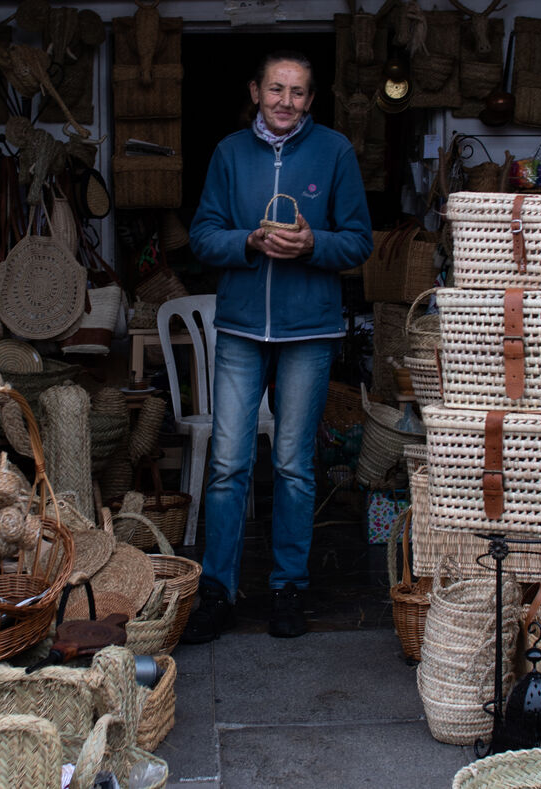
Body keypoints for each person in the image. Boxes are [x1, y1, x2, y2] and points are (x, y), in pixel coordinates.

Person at [181, 49, 373, 642]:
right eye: (275, 89)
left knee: (292, 465)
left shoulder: (334, 152)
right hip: (241, 329)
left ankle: (289, 588)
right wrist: (248, 241)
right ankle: (218, 591)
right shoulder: (229, 154)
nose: (285, 101)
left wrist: (314, 244)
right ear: (256, 91)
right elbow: (202, 236)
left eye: (297, 91)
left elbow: (359, 241)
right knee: (227, 464)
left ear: (310, 99)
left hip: (308, 332)